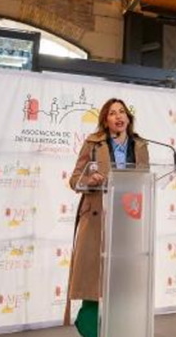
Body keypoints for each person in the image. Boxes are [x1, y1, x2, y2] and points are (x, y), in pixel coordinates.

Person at [67, 98, 149, 337]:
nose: (118, 116)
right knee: (94, 277)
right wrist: (88, 181)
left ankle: (119, 328)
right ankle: (89, 323)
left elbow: (146, 181)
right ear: (105, 120)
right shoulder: (93, 144)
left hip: (128, 219)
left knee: (122, 279)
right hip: (97, 215)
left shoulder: (141, 145)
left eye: (122, 112)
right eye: (112, 113)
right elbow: (74, 179)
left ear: (128, 118)